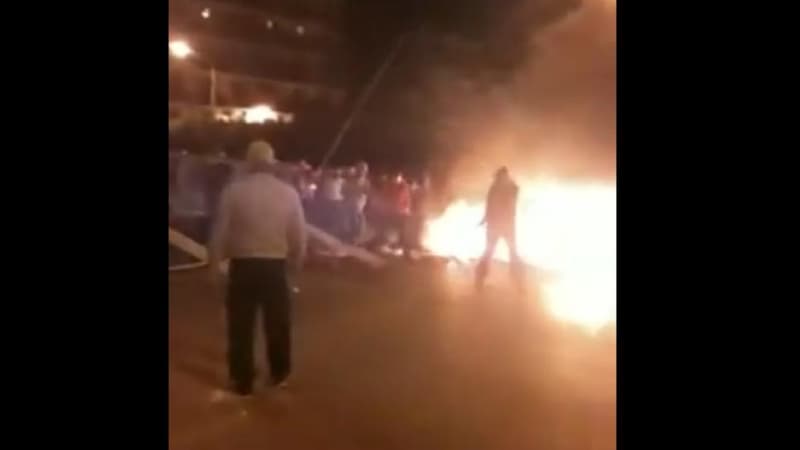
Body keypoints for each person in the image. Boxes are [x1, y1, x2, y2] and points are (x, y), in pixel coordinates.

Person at [209, 140, 307, 397]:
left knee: (240, 325)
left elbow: (219, 234)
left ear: (249, 163)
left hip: (243, 266)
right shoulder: (288, 193)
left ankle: (242, 380)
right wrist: (294, 268)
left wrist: (213, 267)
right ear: (272, 164)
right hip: (275, 266)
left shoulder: (234, 191)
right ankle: (279, 373)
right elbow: (299, 237)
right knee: (278, 323)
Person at [475, 166, 524, 291]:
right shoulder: (501, 188)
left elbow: (491, 204)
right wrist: (485, 218)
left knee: (506, 252)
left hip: (502, 224)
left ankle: (518, 281)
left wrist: (485, 218)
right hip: (501, 225)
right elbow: (490, 204)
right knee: (498, 251)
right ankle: (518, 282)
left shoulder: (501, 188)